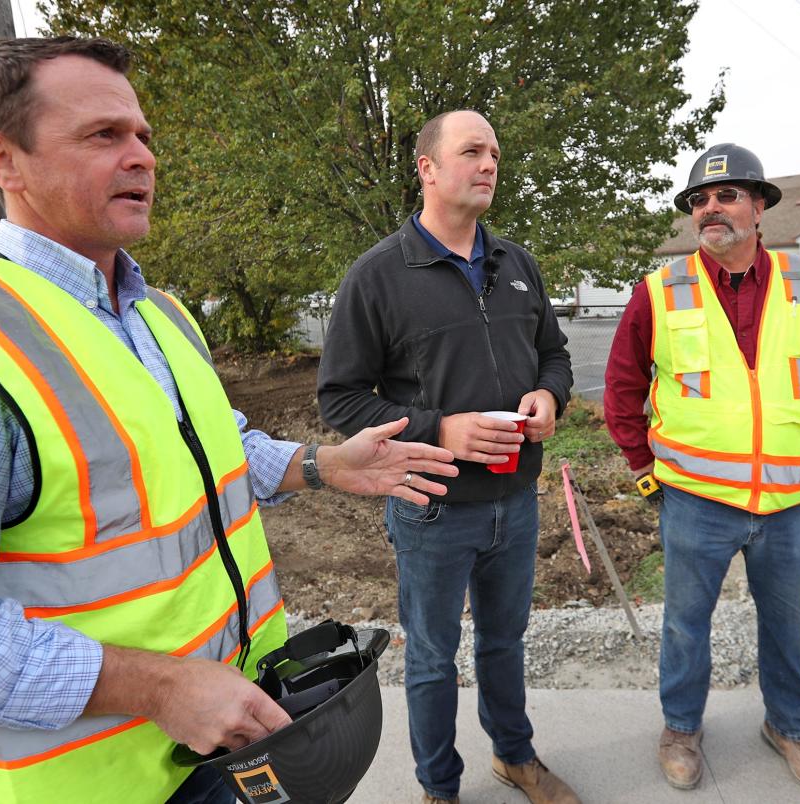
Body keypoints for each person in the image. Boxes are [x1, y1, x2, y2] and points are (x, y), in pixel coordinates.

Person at [0, 36, 459, 804]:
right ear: (2, 160)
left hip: (229, 744)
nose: (142, 158)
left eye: (144, 137)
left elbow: (209, 450)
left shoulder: (161, 315)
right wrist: (156, 689)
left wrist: (319, 465)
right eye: (103, 136)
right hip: (88, 783)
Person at [318, 110, 578, 804]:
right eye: (471, 151)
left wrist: (551, 397)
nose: (489, 163)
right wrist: (440, 431)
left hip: (516, 504)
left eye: (494, 151)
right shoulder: (378, 276)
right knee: (431, 659)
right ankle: (439, 788)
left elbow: (554, 355)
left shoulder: (515, 262)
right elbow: (341, 398)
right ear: (427, 168)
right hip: (433, 510)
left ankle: (515, 758)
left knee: (504, 643)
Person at [603, 143, 800, 802]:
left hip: (790, 502)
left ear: (759, 208)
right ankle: (681, 730)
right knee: (685, 626)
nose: (709, 209)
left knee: (788, 624)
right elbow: (621, 388)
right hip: (695, 501)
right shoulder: (660, 292)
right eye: (699, 200)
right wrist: (644, 467)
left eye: (724, 196)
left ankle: (792, 730)